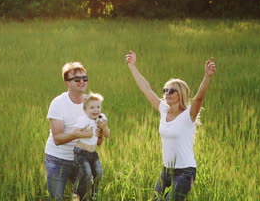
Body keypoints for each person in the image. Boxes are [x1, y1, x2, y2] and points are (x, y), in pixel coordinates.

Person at [125, 50, 216, 201]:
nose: (167, 93)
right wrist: (132, 66)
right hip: (166, 170)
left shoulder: (188, 115)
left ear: (181, 94)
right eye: (165, 90)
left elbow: (199, 98)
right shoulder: (163, 109)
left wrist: (207, 76)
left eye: (172, 91)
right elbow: (146, 88)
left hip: (185, 172)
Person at [45, 62, 107, 200]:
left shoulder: (91, 104)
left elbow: (99, 141)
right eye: (77, 79)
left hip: (82, 159)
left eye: (85, 78)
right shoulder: (58, 103)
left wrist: (102, 132)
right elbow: (58, 139)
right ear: (67, 83)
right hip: (58, 159)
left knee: (84, 198)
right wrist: (77, 134)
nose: (82, 82)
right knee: (56, 198)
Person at [73, 92, 110, 201]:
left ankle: (93, 194)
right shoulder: (82, 120)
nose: (95, 110)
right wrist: (85, 133)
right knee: (87, 173)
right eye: (92, 107)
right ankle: (75, 190)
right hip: (80, 153)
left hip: (93, 154)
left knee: (99, 173)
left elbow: (107, 135)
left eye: (98, 107)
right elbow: (74, 132)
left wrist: (104, 127)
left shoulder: (101, 119)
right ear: (85, 110)